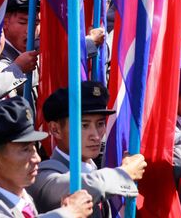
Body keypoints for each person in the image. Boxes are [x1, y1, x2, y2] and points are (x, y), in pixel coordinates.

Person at [27, 81, 147, 217]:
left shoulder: (95, 169)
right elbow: (82, 186)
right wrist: (124, 173)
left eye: (100, 124)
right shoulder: (44, 176)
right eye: (84, 125)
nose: (96, 136)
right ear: (55, 129)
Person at [0, 96, 94, 218]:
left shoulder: (22, 198)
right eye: (25, 150)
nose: (37, 158)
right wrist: (68, 213)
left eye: (33, 148)